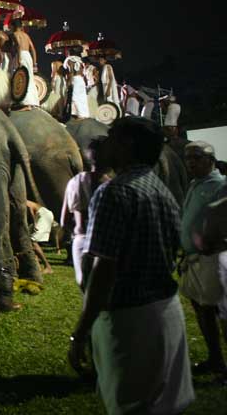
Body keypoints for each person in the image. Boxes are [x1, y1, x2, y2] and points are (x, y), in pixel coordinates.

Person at [68, 117, 194, 415]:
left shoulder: (114, 192)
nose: (105, 142)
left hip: (130, 321)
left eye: (112, 136)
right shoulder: (159, 189)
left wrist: (82, 330)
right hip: (166, 312)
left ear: (127, 146)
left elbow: (104, 268)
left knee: (131, 406)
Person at [179, 140, 227, 377]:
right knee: (201, 309)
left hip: (213, 259)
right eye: (188, 158)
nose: (191, 163)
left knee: (218, 312)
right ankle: (215, 359)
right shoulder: (195, 184)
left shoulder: (221, 185)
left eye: (197, 158)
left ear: (211, 160)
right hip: (193, 259)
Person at [61, 137, 112, 287]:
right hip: (105, 244)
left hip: (81, 240)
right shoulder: (112, 186)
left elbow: (64, 220)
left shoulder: (75, 182)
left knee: (86, 289)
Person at [9, 19, 39, 108]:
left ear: (14, 26)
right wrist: (35, 63)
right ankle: (32, 101)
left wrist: (19, 59)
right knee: (29, 76)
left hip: (21, 55)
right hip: (28, 56)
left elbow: (18, 46)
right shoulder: (26, 35)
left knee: (20, 77)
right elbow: (33, 48)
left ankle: (24, 102)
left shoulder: (15, 34)